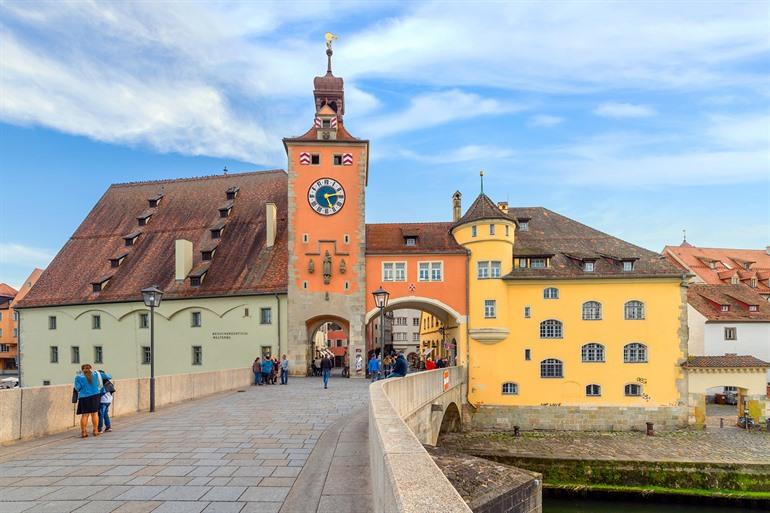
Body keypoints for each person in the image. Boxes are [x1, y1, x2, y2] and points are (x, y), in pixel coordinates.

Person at [74, 364, 103, 438]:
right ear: (90, 369)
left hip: (84, 397)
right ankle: (95, 430)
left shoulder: (78, 377)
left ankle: (84, 432)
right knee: (95, 414)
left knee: (85, 415)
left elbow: (77, 388)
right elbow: (108, 377)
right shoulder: (96, 374)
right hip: (95, 396)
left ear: (82, 369)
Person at [97, 369, 113, 433]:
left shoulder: (101, 383)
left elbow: (101, 392)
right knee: (105, 414)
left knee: (100, 414)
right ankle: (108, 427)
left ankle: (99, 429)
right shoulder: (108, 382)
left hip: (103, 401)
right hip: (108, 400)